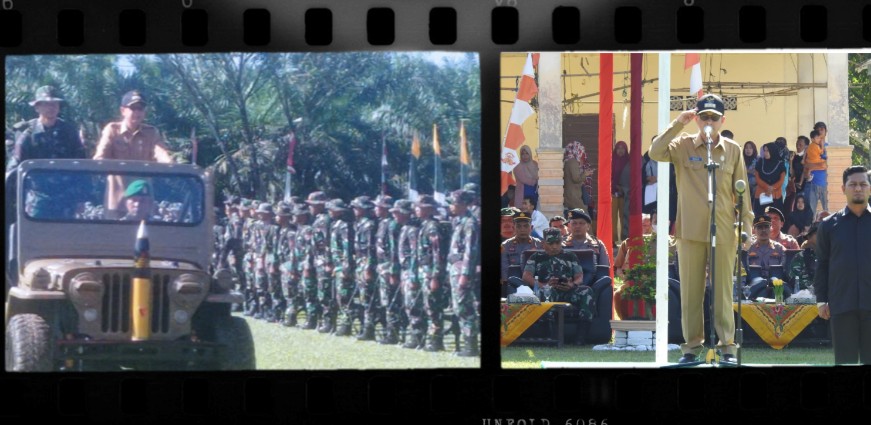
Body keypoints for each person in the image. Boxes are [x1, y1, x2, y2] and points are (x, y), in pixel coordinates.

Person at [649, 94, 753, 364]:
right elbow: (655, 152)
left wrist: (746, 227)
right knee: (691, 293)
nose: (709, 122)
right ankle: (691, 349)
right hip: (690, 231)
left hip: (724, 230)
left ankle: (727, 347)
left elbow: (742, 193)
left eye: (713, 118)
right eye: (704, 116)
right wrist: (678, 123)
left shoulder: (733, 150)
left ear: (722, 120)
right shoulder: (682, 145)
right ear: (696, 119)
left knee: (723, 293)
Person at [815, 165, 871, 365]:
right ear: (843, 189)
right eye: (853, 184)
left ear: (870, 188)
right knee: (845, 362)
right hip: (842, 305)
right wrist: (821, 300)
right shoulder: (828, 225)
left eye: (863, 184)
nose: (858, 188)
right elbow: (822, 264)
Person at [95, 91, 174, 218]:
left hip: (142, 202)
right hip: (117, 202)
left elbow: (161, 153)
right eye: (133, 108)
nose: (137, 112)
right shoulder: (112, 130)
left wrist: (170, 165)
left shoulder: (151, 133)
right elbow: (99, 159)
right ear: (123, 110)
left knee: (146, 230)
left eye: (140, 109)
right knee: (113, 230)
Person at [521, 227, 594, 345]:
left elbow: (579, 276)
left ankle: (580, 338)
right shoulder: (536, 256)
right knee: (545, 293)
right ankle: (550, 337)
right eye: (551, 243)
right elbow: (526, 276)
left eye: (557, 243)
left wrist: (572, 284)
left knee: (587, 291)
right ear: (543, 243)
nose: (555, 246)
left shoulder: (570, 256)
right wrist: (544, 285)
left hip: (568, 290)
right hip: (548, 291)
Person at [8, 85, 86, 171]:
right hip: (35, 179)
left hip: (65, 178)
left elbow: (81, 163)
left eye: (54, 104)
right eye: (46, 104)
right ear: (37, 108)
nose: (51, 107)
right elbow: (15, 167)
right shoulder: (27, 133)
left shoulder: (69, 131)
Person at [446, 189, 480, 356]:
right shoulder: (459, 221)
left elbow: (470, 251)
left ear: (463, 204)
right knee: (458, 307)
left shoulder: (469, 223)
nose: (451, 206)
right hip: (455, 270)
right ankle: (467, 344)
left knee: (465, 308)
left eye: (453, 203)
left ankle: (471, 346)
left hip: (462, 272)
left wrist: (465, 275)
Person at [416, 195, 448, 351]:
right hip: (425, 272)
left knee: (433, 307)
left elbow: (437, 253)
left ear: (428, 209)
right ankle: (431, 339)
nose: (416, 210)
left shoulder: (432, 227)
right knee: (428, 306)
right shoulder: (425, 225)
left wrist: (435, 276)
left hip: (431, 274)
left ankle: (435, 341)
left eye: (419, 207)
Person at [394, 199, 421, 348]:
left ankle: (416, 337)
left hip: (411, 272)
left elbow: (415, 255)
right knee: (407, 304)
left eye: (397, 212)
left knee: (413, 305)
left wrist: (413, 276)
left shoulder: (412, 230)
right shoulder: (405, 228)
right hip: (405, 271)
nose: (394, 215)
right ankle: (412, 335)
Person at [351, 196, 378, 340]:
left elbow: (370, 249)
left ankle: (369, 329)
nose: (354, 210)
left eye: (357, 207)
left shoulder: (369, 225)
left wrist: (368, 268)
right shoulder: (360, 224)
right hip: (360, 264)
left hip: (366, 265)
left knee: (368, 298)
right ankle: (365, 326)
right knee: (363, 297)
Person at [746, 214, 790, 300]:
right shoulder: (749, 249)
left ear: (771, 228)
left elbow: (785, 271)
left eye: (766, 227)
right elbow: (744, 273)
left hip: (776, 287)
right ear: (754, 230)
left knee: (776, 282)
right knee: (760, 283)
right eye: (759, 227)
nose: (763, 230)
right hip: (755, 288)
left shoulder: (779, 248)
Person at [329, 199, 356, 337]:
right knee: (339, 296)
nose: (329, 211)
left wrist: (346, 268)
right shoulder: (335, 224)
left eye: (332, 209)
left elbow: (347, 249)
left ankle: (346, 325)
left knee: (344, 296)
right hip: (337, 265)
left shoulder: (345, 226)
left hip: (343, 267)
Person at [501, 211, 542, 288]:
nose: (522, 229)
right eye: (519, 226)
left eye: (526, 226)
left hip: (535, 284)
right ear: (514, 227)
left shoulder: (539, 245)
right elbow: (504, 272)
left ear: (531, 228)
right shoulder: (505, 246)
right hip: (513, 285)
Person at [754, 142, 786, 219]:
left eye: (767, 151)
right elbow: (757, 177)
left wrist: (772, 188)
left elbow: (781, 180)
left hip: (775, 196)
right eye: (764, 150)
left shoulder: (780, 164)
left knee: (775, 218)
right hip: (761, 195)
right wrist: (766, 187)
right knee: (760, 218)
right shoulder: (760, 162)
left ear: (773, 151)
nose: (765, 153)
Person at [563, 140, 595, 211]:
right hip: (573, 196)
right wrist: (585, 174)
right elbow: (576, 179)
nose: (582, 154)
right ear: (576, 151)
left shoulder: (568, 161)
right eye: (581, 151)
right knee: (584, 214)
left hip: (570, 195)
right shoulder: (573, 162)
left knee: (572, 215)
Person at [803, 129, 828, 216]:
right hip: (813, 184)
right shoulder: (816, 147)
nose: (819, 139)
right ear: (812, 139)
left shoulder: (809, 147)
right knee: (814, 208)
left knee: (823, 208)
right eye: (817, 138)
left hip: (823, 183)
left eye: (820, 138)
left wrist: (811, 168)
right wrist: (822, 146)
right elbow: (822, 155)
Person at [788, 222, 818, 293]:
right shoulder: (800, 257)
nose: (822, 236)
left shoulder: (834, 256)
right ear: (809, 237)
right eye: (817, 233)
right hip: (805, 295)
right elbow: (794, 280)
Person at [611, 141, 631, 243]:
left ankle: (625, 239)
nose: (620, 150)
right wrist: (613, 187)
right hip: (613, 193)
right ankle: (612, 240)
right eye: (618, 148)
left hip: (625, 194)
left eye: (623, 148)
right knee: (612, 217)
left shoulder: (629, 161)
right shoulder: (612, 160)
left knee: (625, 216)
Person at [513, 145, 539, 210]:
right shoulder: (517, 166)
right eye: (523, 154)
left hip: (534, 192)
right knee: (524, 212)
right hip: (523, 193)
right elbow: (526, 180)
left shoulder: (535, 164)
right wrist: (537, 180)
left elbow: (540, 175)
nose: (525, 156)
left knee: (534, 211)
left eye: (527, 153)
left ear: (530, 153)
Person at [743, 141, 759, 214]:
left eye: (750, 148)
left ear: (754, 149)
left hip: (755, 187)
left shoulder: (758, 160)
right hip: (743, 187)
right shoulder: (741, 160)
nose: (748, 150)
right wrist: (748, 171)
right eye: (746, 148)